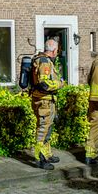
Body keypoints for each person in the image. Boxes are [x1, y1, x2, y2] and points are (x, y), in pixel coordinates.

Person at [29, 38, 64, 169]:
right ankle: (39, 158)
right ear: (54, 50)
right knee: (43, 130)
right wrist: (60, 84)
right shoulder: (44, 62)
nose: (57, 53)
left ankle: (47, 154)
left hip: (48, 100)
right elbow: (44, 84)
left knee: (48, 128)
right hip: (43, 101)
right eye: (57, 50)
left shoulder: (45, 60)